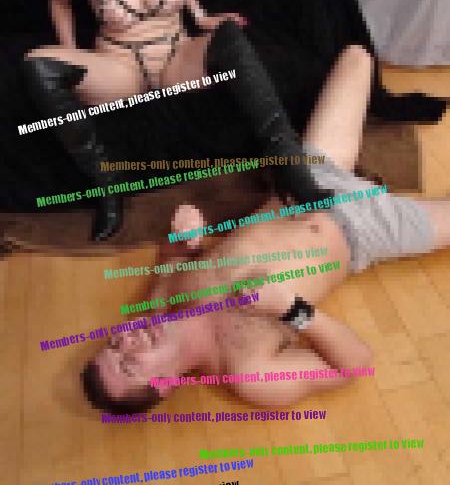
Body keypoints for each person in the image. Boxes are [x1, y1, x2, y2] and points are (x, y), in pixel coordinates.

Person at [81, 43, 447, 412]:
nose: (128, 342)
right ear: (164, 384)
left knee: (357, 56)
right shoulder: (249, 374)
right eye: (129, 365)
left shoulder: (161, 302)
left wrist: (184, 235)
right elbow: (355, 365)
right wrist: (290, 309)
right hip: (365, 229)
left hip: (307, 182)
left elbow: (173, 255)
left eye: (114, 345)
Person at [19, 0, 337, 244]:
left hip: (175, 55)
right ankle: (107, 185)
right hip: (119, 65)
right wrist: (73, 52)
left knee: (230, 36)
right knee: (38, 65)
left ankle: (289, 166)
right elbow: (59, 2)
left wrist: (201, 17)